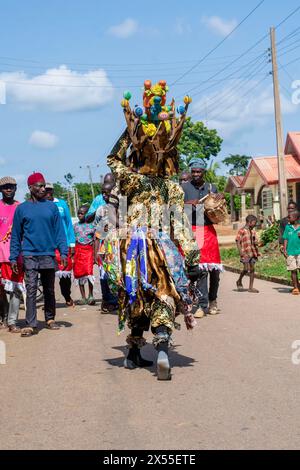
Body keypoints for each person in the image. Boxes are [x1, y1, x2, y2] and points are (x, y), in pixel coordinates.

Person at [105, 81, 198, 381]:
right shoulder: (171, 185)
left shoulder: (133, 181)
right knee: (164, 294)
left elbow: (114, 159)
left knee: (134, 295)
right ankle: (161, 343)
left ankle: (133, 352)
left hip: (134, 245)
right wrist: (192, 251)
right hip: (162, 247)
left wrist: (130, 134)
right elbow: (181, 222)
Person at [10, 172, 68, 337]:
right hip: (29, 254)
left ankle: (50, 319)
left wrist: (63, 252)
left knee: (49, 289)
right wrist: (13, 257)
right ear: (30, 188)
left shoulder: (51, 207)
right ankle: (30, 324)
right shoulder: (22, 209)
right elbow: (16, 235)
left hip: (48, 254)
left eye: (44, 186)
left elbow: (59, 232)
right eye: (40, 186)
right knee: (31, 288)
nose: (43, 189)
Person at [183, 158, 224, 318]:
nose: (195, 174)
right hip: (193, 230)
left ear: (204, 172)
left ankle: (213, 301)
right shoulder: (184, 188)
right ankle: (201, 305)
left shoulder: (211, 187)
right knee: (200, 270)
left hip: (209, 230)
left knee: (214, 271)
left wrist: (219, 199)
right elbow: (174, 209)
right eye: (193, 171)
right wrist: (188, 204)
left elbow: (218, 208)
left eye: (198, 171)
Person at [45, 183, 75, 307]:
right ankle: (49, 302)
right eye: (45, 190)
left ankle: (67, 296)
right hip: (48, 245)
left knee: (65, 275)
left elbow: (68, 223)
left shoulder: (62, 204)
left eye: (49, 190)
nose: (47, 192)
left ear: (53, 190)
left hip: (63, 244)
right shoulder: (41, 205)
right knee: (48, 276)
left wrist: (72, 243)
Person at [0, 177, 24, 333]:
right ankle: (3, 316)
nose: (8, 189)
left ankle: (12, 321)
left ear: (16, 189)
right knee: (1, 289)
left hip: (16, 255)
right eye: (5, 187)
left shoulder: (21, 207)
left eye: (11, 187)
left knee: (15, 288)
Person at [94, 183, 118, 313]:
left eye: (107, 192)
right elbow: (98, 233)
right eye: (103, 192)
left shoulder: (123, 207)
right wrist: (96, 252)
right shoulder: (101, 210)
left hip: (121, 246)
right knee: (105, 276)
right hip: (106, 248)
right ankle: (108, 300)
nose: (105, 195)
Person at [73, 205, 96, 305]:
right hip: (78, 251)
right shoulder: (75, 226)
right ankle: (83, 297)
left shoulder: (92, 226)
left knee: (89, 273)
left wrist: (95, 255)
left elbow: (95, 241)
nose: (79, 215)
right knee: (79, 273)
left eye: (82, 213)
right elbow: (72, 240)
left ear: (87, 214)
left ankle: (91, 296)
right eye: (78, 213)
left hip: (88, 251)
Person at [236, 215, 260, 293]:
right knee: (246, 269)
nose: (255, 225)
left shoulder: (253, 231)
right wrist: (240, 252)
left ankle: (251, 287)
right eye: (254, 223)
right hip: (245, 253)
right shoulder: (242, 230)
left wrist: (257, 243)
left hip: (252, 252)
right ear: (249, 222)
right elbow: (238, 241)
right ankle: (239, 281)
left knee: (252, 269)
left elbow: (255, 240)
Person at [283, 210, 300, 295]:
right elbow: (285, 238)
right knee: (293, 270)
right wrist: (285, 249)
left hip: (299, 252)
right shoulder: (287, 227)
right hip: (290, 252)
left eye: (289, 217)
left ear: (296, 218)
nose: (287, 218)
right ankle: (295, 287)